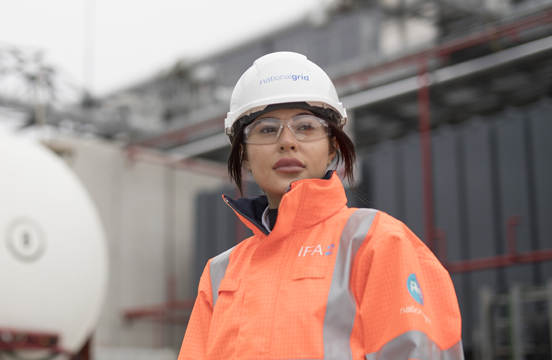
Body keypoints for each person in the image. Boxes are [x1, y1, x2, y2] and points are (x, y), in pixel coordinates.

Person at [179, 52, 462, 360]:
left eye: (306, 126)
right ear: (243, 155)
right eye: (267, 129)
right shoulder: (220, 274)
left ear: (332, 148)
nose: (287, 141)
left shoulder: (377, 242)